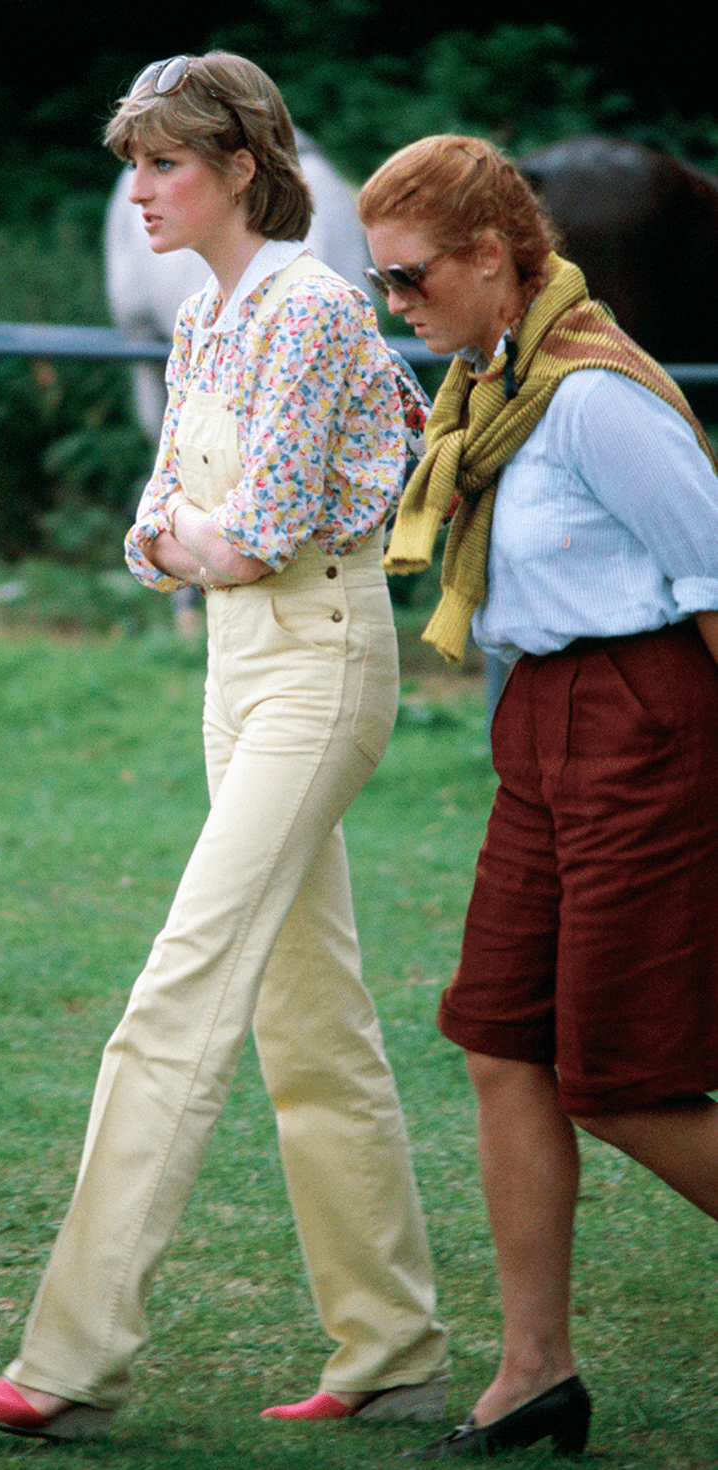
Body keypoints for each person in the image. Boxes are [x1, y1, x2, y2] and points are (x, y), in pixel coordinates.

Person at [0, 54, 448, 1443]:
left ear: (238, 165)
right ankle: (394, 1343)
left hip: (321, 667)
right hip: (237, 672)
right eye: (132, 162)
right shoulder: (206, 315)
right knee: (310, 1016)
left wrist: (189, 543)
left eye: (163, 162)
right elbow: (153, 526)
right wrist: (185, 542)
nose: (140, 191)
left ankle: (69, 1358)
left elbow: (251, 532)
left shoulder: (310, 305)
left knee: (178, 997)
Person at [357, 132, 718, 1460]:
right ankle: (536, 1373)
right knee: (501, 1035)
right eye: (383, 280)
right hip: (542, 726)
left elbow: (716, 581)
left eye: (407, 280)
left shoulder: (595, 396)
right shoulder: (488, 386)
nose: (398, 305)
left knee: (619, 1077)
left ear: (493, 258)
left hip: (646, 721)